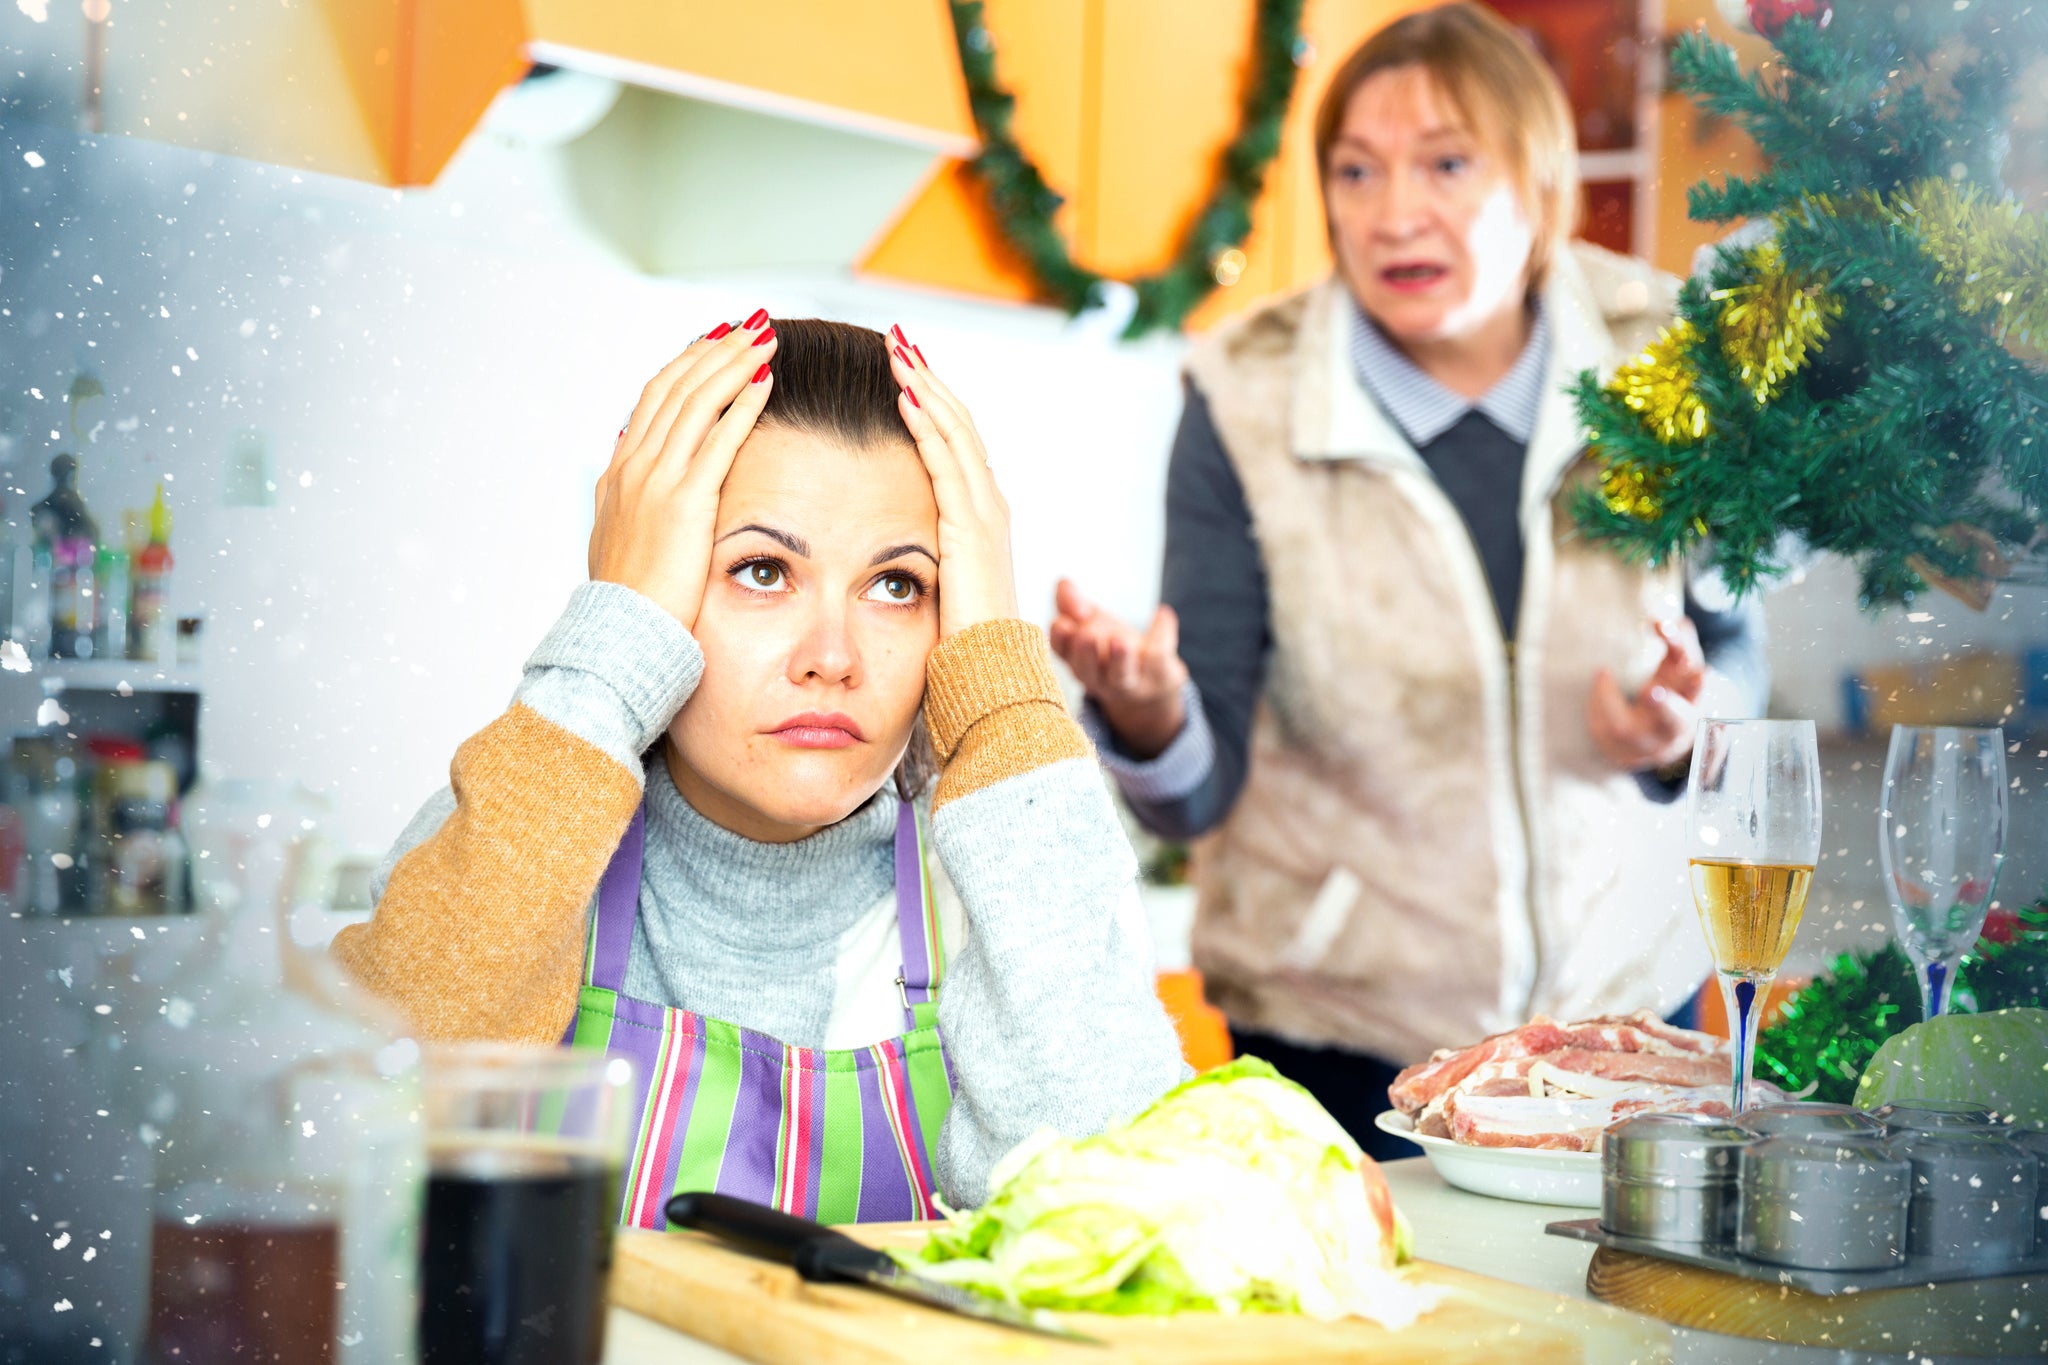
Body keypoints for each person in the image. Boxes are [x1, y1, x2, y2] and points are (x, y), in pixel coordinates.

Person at [1050, 3, 1767, 1160]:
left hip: (1624, 1026)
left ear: (1536, 182)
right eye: (1354, 170)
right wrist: (1146, 713)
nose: (1392, 214)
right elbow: (1195, 791)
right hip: (1340, 1046)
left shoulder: (1664, 356)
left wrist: (1680, 735)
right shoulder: (1243, 395)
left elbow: (1738, 646)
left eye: (1443, 162)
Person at [333, 316, 1186, 1221]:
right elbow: (355, 1158)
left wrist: (1003, 693)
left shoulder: (1001, 883)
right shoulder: (518, 827)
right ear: (654, 585)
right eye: (762, 570)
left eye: (898, 585)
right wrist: (611, 637)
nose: (833, 655)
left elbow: (1119, 1226)